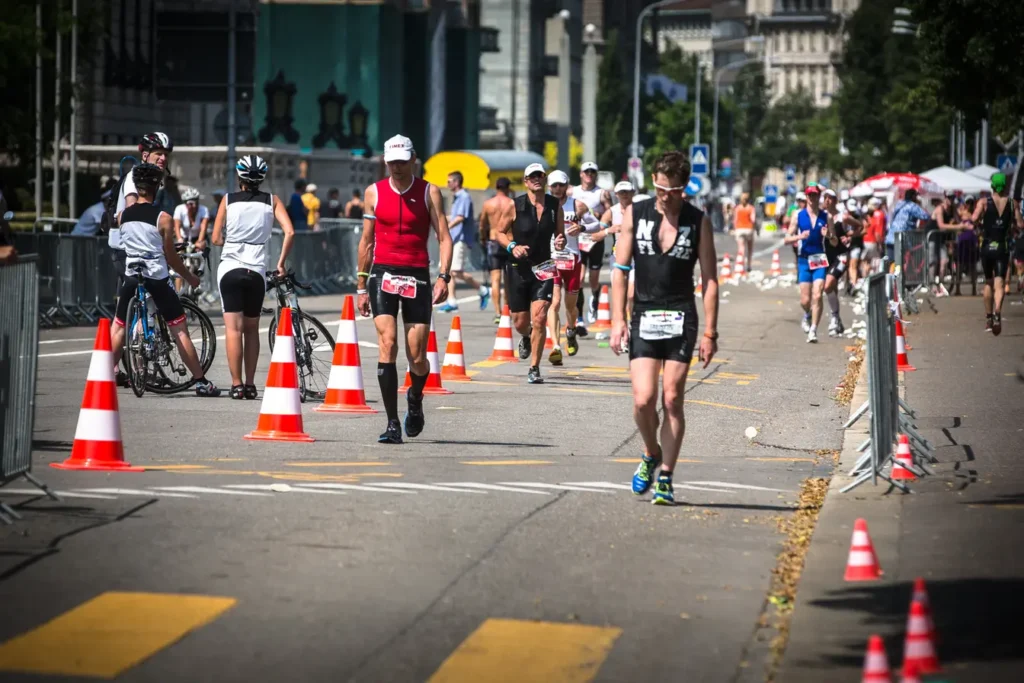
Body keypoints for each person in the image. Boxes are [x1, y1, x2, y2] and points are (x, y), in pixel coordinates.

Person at [610, 150, 719, 506]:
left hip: (681, 316)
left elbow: (710, 278)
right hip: (644, 314)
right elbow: (620, 270)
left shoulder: (697, 221)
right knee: (643, 400)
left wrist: (710, 333)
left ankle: (667, 477)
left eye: (670, 190)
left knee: (672, 398)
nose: (663, 195)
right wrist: (617, 321)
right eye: (658, 187)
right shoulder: (635, 214)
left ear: (683, 189)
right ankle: (651, 452)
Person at [356, 134, 453, 444]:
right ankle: (393, 423)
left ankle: (415, 397)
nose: (397, 168)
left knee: (417, 356)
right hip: (383, 273)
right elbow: (367, 240)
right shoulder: (374, 192)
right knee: (388, 343)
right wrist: (360, 284)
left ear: (414, 159)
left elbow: (444, 237)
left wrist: (444, 277)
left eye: (402, 161)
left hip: (416, 274)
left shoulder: (430, 192)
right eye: (392, 162)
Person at [109, 163, 220, 397]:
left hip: (132, 275)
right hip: (156, 277)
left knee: (119, 326)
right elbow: (170, 257)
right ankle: (200, 381)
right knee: (179, 330)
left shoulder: (123, 216)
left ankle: (104, 373)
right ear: (157, 187)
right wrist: (189, 277)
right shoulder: (163, 218)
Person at [212, 154, 295, 399]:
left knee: (233, 330)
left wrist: (230, 242)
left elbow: (216, 238)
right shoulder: (272, 200)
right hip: (256, 271)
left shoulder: (228, 200)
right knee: (251, 329)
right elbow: (289, 232)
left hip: (229, 268)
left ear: (240, 177)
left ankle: (236, 385)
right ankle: (250, 384)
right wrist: (280, 263)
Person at [493, 163, 566, 384]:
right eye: (531, 176)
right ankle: (525, 336)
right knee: (520, 321)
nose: (536, 179)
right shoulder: (515, 205)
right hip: (518, 269)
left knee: (540, 317)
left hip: (544, 267)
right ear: (525, 181)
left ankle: (534, 367)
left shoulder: (554, 205)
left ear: (544, 179)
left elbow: (560, 235)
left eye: (539, 175)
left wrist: (561, 242)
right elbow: (499, 232)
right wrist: (512, 246)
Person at [546, 170, 595, 363]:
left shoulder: (577, 205)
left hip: (573, 260)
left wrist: (582, 228)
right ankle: (556, 346)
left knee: (570, 306)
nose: (558, 189)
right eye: (554, 185)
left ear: (567, 186)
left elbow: (597, 224)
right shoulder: (544, 206)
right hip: (552, 260)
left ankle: (571, 329)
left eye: (561, 185)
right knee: (554, 303)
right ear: (549, 187)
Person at [971, 173, 1021, 335]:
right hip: (1002, 247)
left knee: (988, 282)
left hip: (987, 246)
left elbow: (973, 219)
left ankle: (989, 317)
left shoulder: (984, 202)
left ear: (992, 186)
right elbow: (1020, 224)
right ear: (1005, 186)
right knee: (999, 282)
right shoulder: (1013, 204)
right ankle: (998, 309)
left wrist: (980, 223)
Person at [784, 184, 830, 343]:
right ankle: (808, 314)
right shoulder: (798, 215)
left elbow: (835, 240)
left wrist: (829, 235)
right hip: (804, 260)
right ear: (806, 197)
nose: (812, 198)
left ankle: (813, 330)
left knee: (818, 294)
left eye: (815, 195)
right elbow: (786, 239)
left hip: (819, 259)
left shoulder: (825, 216)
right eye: (810, 196)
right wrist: (799, 237)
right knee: (805, 300)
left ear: (819, 197)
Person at [440, 171, 489, 313]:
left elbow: (460, 218)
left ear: (456, 182)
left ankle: (482, 289)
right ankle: (452, 301)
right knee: (448, 271)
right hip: (453, 238)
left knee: (455, 271)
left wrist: (446, 227)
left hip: (460, 238)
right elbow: (454, 216)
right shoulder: (456, 198)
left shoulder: (464, 197)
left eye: (449, 181)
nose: (447, 184)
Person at [822, 193, 861, 337]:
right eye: (825, 197)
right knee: (831, 288)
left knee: (828, 285)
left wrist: (850, 235)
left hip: (841, 256)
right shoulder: (821, 216)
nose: (827, 200)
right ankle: (837, 319)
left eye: (830, 197)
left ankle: (834, 318)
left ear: (835, 200)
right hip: (826, 256)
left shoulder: (843, 217)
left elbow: (861, 226)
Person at [573, 161, 606, 323]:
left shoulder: (602, 194)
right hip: (578, 239)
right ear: (581, 174)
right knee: (579, 279)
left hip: (595, 239)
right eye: (587, 172)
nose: (589, 175)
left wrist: (601, 219)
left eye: (592, 172)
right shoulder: (572, 191)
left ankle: (595, 296)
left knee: (593, 279)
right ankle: (579, 315)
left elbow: (610, 214)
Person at [478, 177, 514, 323]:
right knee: (508, 279)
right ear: (508, 188)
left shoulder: (488, 204)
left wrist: (483, 239)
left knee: (495, 279)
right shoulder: (511, 203)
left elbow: (482, 225)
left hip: (493, 241)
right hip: (508, 241)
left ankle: (498, 312)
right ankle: (506, 309)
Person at [886, 188, 930, 264]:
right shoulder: (912, 206)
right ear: (913, 197)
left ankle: (892, 275)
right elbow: (926, 216)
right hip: (903, 238)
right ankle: (898, 275)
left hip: (891, 237)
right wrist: (920, 205)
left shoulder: (899, 204)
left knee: (893, 263)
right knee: (901, 264)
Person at [954, 195, 978, 296]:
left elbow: (978, 224)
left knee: (972, 266)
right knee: (959, 266)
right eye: (967, 203)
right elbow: (953, 220)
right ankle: (957, 289)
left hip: (972, 242)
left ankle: (974, 289)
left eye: (971, 203)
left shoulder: (976, 214)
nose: (969, 205)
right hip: (962, 242)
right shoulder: (960, 213)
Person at [732, 193, 756, 273]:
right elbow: (753, 220)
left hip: (739, 229)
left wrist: (734, 229)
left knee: (741, 248)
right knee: (750, 249)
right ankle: (749, 265)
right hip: (748, 229)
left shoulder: (737, 208)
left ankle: (741, 264)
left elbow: (735, 220)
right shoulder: (751, 208)